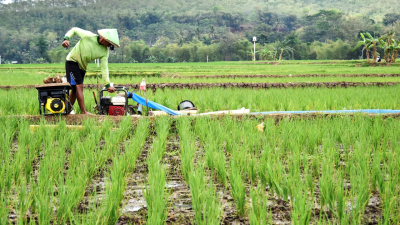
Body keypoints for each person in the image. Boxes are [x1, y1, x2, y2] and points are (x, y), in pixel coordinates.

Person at [61, 27, 118, 114]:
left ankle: (66, 111)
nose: (109, 45)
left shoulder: (104, 52)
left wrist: (107, 85)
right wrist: (66, 39)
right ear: (103, 38)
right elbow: (74, 30)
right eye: (109, 43)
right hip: (72, 61)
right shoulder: (89, 36)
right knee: (79, 86)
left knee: (75, 89)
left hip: (82, 67)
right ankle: (84, 112)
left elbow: (104, 68)